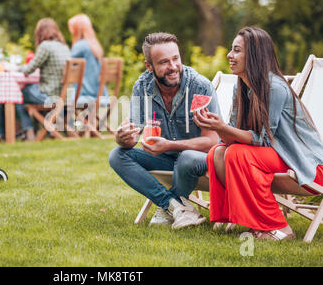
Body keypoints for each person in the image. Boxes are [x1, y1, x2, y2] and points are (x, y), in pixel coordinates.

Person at [194, 27, 323, 241]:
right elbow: (230, 137)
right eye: (231, 50)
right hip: (277, 158)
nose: (229, 55)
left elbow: (263, 140)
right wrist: (217, 127)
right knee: (216, 153)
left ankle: (279, 227)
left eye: (236, 50)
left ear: (254, 55)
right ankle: (252, 221)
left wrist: (223, 128)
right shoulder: (242, 89)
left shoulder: (275, 87)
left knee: (237, 154)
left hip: (308, 166)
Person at [108, 32, 220, 229]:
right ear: (149, 66)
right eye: (164, 62)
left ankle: (170, 207)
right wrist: (122, 138)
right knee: (117, 155)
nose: (173, 67)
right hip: (167, 159)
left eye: (175, 58)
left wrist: (170, 145)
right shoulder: (142, 86)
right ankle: (173, 205)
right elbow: (132, 138)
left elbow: (212, 141)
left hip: (199, 161)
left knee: (186, 157)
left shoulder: (199, 86)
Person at [18, 18, 71, 141]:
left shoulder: (45, 46)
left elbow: (28, 70)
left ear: (40, 32)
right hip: (65, 95)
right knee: (28, 91)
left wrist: (14, 68)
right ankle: (44, 131)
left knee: (19, 93)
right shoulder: (63, 46)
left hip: (51, 96)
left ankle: (29, 131)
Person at [67, 14, 108, 105]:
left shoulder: (79, 46)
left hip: (85, 95)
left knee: (57, 101)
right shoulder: (96, 47)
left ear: (76, 31)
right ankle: (84, 120)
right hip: (101, 96)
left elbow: (67, 71)